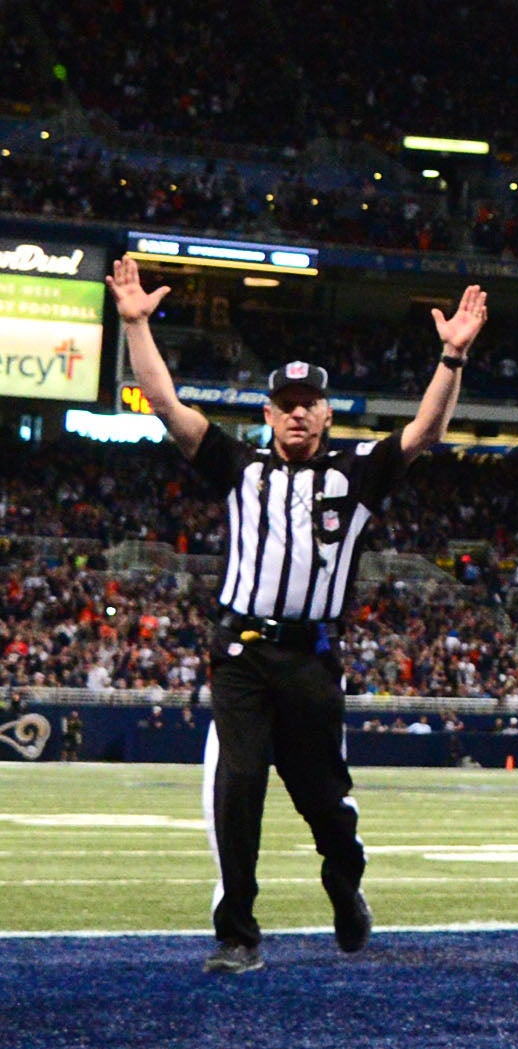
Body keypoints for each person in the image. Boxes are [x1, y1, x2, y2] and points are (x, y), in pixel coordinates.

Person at [105, 255, 489, 972]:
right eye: (286, 402)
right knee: (238, 781)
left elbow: (425, 433)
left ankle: (344, 884)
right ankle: (237, 934)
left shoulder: (355, 473)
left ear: (327, 411)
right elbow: (164, 403)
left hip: (312, 661)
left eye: (310, 402)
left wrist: (452, 356)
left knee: (324, 805)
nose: (298, 412)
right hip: (243, 654)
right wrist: (135, 326)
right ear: (268, 413)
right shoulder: (238, 468)